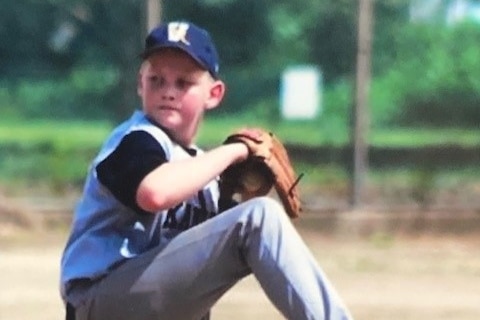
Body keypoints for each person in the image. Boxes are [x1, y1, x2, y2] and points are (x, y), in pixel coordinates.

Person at [60, 20, 353, 320]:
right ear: (140, 83)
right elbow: (155, 193)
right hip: (101, 299)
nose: (168, 92)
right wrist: (236, 151)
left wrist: (233, 198)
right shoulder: (137, 138)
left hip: (146, 303)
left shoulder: (203, 170)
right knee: (259, 218)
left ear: (213, 94)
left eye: (183, 82)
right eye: (156, 80)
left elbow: (209, 261)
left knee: (253, 220)